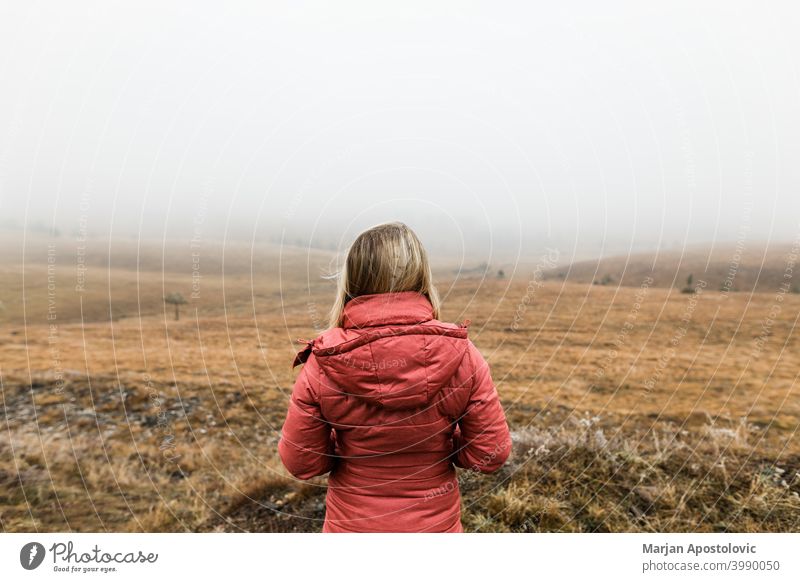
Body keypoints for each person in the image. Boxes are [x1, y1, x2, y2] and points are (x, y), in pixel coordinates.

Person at [278, 221, 511, 532]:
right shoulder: (464, 355)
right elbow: (490, 455)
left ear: (352, 280)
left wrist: (350, 444)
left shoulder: (322, 363)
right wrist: (439, 442)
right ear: (422, 277)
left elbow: (302, 463)